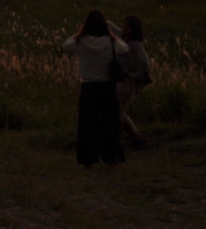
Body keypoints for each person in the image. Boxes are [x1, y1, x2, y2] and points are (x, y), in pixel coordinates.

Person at [62, 10, 128, 168]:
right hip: (107, 86)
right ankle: (111, 156)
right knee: (109, 123)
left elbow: (66, 45)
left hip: (89, 86)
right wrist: (111, 33)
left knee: (88, 124)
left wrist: (79, 32)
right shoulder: (110, 41)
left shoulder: (81, 41)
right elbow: (124, 47)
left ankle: (88, 158)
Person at [108, 15, 150, 148]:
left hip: (128, 82)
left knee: (118, 111)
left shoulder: (134, 43)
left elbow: (145, 61)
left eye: (125, 25)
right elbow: (111, 26)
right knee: (119, 109)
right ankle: (136, 138)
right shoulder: (125, 38)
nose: (122, 26)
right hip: (125, 80)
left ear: (131, 28)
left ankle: (118, 141)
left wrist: (133, 75)